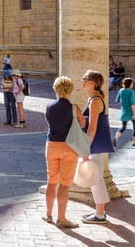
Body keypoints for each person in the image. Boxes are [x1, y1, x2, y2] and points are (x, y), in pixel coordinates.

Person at [42, 76, 86, 229]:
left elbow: (49, 123)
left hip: (52, 145)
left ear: (56, 89)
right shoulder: (74, 108)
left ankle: (48, 214)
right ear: (70, 90)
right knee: (64, 186)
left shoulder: (49, 106)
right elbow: (83, 123)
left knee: (51, 182)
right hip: (69, 147)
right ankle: (61, 218)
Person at [81, 70, 115, 224]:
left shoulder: (95, 101)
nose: (82, 80)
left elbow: (92, 127)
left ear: (93, 82)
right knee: (96, 177)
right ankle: (99, 210)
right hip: (98, 143)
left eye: (85, 78)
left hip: (96, 144)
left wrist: (86, 147)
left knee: (96, 178)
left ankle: (100, 214)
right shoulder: (95, 99)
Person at [115, 77, 135, 147]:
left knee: (123, 127)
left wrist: (124, 100)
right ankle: (134, 142)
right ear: (130, 84)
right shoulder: (131, 92)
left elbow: (117, 100)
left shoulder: (121, 90)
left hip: (124, 112)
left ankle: (115, 138)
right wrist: (134, 113)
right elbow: (132, 103)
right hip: (131, 112)